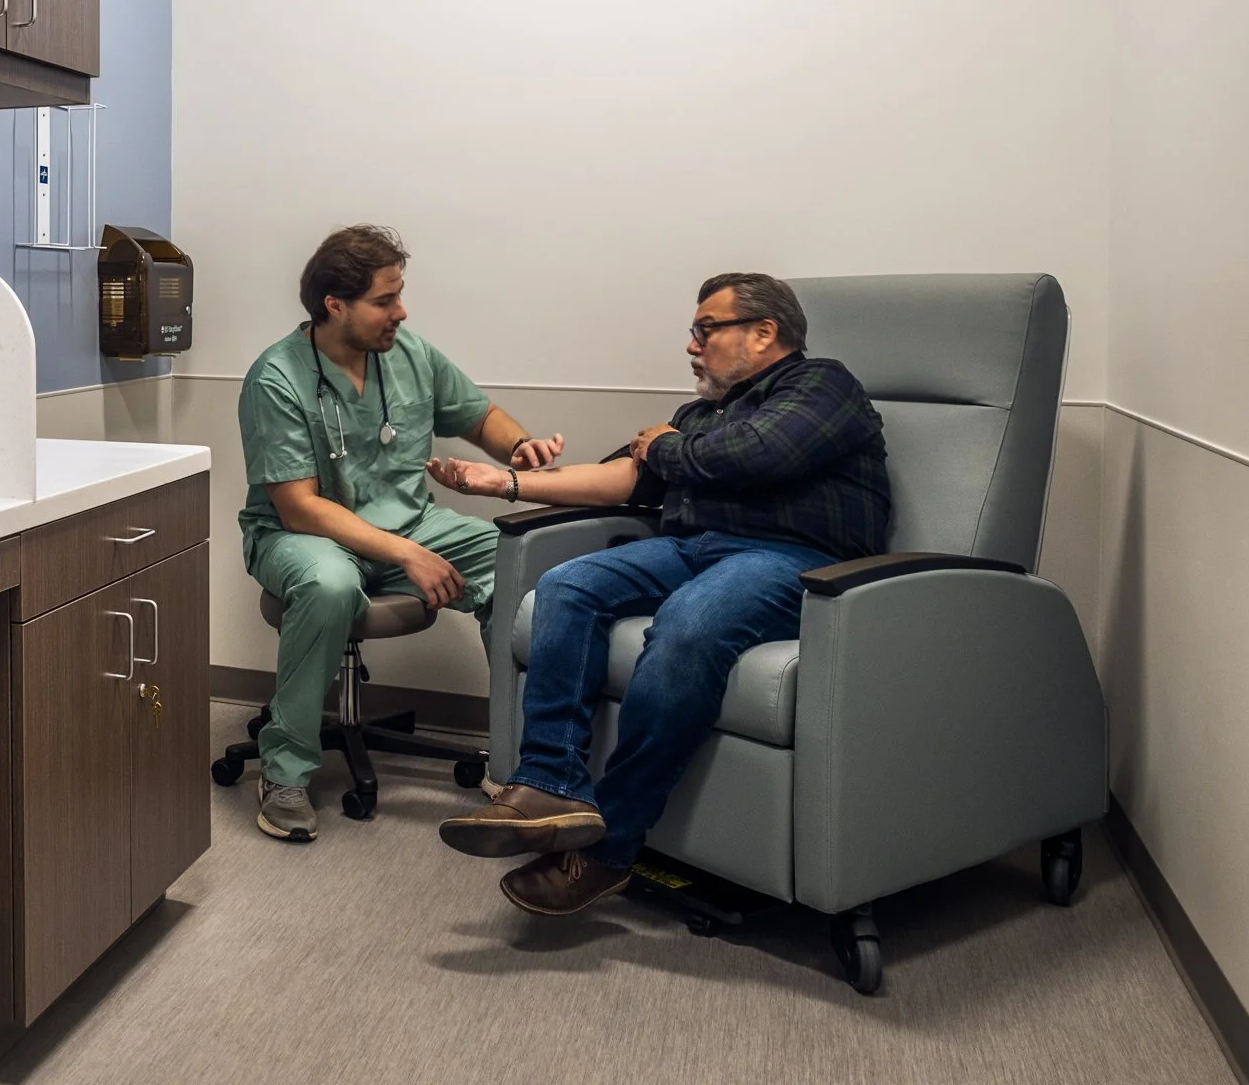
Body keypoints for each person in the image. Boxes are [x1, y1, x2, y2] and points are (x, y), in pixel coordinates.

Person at [425, 271, 889, 914]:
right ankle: (549, 783)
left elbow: (757, 454)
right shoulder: (701, 416)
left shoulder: (821, 385)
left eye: (705, 330)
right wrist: (502, 483)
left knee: (687, 625)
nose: (693, 346)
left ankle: (611, 849)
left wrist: (669, 446)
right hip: (695, 546)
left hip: (792, 558)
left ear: (763, 332)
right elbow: (619, 478)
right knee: (567, 585)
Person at [238, 225, 565, 842]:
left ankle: (520, 763)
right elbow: (299, 507)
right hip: (306, 535)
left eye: (400, 295)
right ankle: (284, 771)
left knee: (516, 565)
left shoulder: (409, 352)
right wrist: (407, 553)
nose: (401, 311)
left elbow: (478, 415)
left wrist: (519, 445)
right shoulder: (276, 378)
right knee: (330, 586)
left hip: (407, 521)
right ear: (336, 305)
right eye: (385, 300)